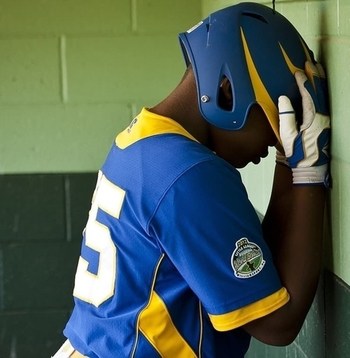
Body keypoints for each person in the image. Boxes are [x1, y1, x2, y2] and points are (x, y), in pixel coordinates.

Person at [53, 2, 330, 357]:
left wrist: (291, 164)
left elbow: (264, 275)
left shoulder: (142, 142)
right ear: (229, 91)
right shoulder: (189, 172)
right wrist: (308, 173)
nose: (275, 139)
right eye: (276, 122)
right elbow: (278, 323)